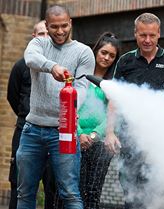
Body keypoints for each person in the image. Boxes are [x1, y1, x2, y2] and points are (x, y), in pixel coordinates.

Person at [15, 5, 95, 209]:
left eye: (64, 26)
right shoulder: (38, 43)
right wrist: (53, 67)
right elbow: (30, 58)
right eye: (54, 27)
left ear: (70, 23)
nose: (60, 31)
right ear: (47, 26)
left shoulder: (83, 52)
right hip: (32, 130)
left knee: (69, 193)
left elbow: (83, 88)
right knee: (24, 193)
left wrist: (72, 109)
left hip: (64, 131)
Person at [110, 12, 164, 209]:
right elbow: (114, 99)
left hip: (159, 141)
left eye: (152, 35)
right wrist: (110, 132)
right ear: (135, 33)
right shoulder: (125, 62)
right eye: (143, 35)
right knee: (130, 193)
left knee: (157, 193)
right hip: (129, 138)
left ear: (159, 34)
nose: (147, 40)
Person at [6, 20, 59, 209]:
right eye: (41, 34)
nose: (46, 37)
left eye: (48, 34)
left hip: (53, 133)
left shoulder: (59, 66)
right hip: (25, 131)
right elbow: (12, 96)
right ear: (34, 37)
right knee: (19, 184)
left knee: (53, 186)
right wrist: (27, 118)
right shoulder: (21, 66)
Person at [78, 32, 121, 209]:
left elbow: (113, 114)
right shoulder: (80, 76)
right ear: (96, 51)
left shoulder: (113, 84)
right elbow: (71, 107)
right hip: (75, 140)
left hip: (100, 143)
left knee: (93, 192)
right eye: (104, 52)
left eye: (112, 55)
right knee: (73, 190)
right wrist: (80, 134)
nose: (107, 58)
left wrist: (94, 135)